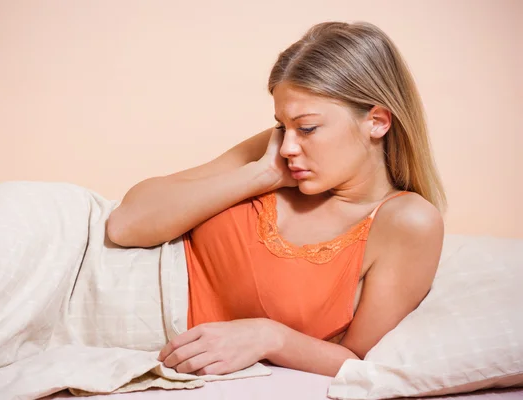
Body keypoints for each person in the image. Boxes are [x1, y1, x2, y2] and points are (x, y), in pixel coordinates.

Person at [107, 21, 446, 378]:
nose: (287, 146)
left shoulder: (407, 223)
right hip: (80, 260)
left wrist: (270, 337)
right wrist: (261, 175)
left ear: (377, 121)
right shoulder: (275, 156)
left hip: (102, 332)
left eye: (307, 128)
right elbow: (125, 224)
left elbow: (360, 362)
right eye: (282, 126)